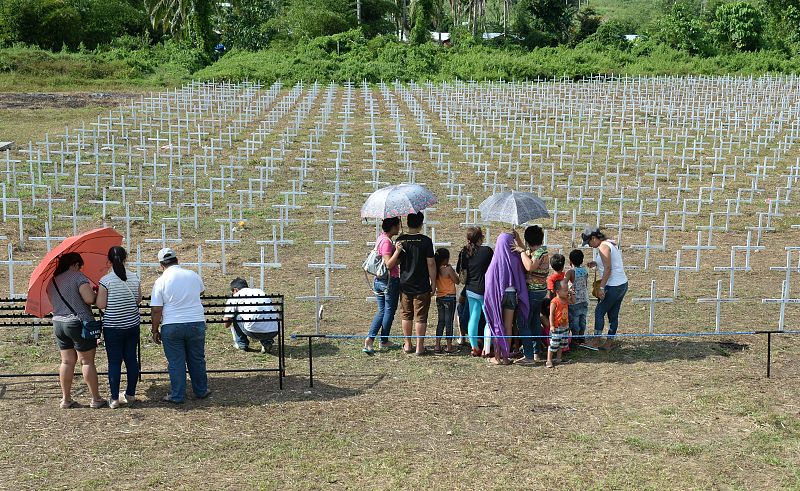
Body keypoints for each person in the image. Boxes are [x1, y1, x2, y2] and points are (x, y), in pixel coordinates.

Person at [149, 248, 210, 403]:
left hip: (172, 324)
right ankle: (201, 390)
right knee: (197, 358)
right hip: (196, 322)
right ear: (177, 260)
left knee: (176, 362)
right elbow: (201, 292)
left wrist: (155, 330)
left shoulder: (160, 281)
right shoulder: (193, 275)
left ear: (161, 264)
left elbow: (156, 310)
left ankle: (177, 395)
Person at [46, 252, 105, 409]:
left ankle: (66, 399)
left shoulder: (52, 281)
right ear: (75, 264)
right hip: (78, 323)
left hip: (58, 324)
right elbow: (89, 299)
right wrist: (96, 292)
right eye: (80, 265)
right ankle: (95, 399)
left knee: (66, 361)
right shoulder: (78, 277)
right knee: (86, 362)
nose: (80, 268)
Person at [96, 246, 142, 409]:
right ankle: (130, 393)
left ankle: (114, 398)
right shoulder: (134, 277)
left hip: (113, 326)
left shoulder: (105, 280)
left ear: (108, 260)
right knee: (131, 359)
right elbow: (138, 299)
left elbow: (101, 304)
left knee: (114, 362)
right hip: (131, 324)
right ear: (125, 258)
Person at [483, 233, 529, 366]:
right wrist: (518, 240)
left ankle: (497, 357)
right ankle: (506, 357)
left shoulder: (495, 261)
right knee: (508, 325)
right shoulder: (515, 258)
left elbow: (489, 280)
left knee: (498, 324)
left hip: (497, 295)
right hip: (511, 294)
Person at [396, 212, 436, 355]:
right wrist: (434, 282)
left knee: (406, 314)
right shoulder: (426, 241)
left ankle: (408, 344)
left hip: (405, 283)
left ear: (407, 222)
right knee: (421, 316)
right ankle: (420, 346)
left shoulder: (401, 240)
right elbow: (431, 263)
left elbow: (398, 261)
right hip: (422, 284)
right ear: (421, 223)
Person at [583, 227, 629, 350]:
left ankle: (597, 340)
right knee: (613, 314)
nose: (589, 245)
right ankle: (609, 342)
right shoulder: (609, 244)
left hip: (613, 285)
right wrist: (596, 263)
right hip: (622, 284)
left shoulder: (603, 247)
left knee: (599, 311)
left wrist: (602, 288)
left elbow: (608, 268)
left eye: (589, 242)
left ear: (593, 238)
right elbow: (609, 262)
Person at [364, 217, 403, 354]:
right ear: (392, 227)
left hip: (379, 280)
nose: (399, 227)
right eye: (398, 225)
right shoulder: (386, 242)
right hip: (389, 281)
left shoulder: (381, 238)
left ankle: (374, 339)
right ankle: (380, 340)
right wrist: (397, 251)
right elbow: (388, 264)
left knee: (382, 311)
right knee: (388, 311)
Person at [513, 225, 549, 365]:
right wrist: (518, 239)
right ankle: (536, 352)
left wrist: (521, 252)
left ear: (529, 240)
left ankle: (528, 356)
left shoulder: (539, 253)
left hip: (533, 291)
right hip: (539, 291)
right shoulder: (540, 250)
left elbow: (529, 266)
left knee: (522, 322)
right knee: (534, 319)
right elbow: (528, 252)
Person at [456, 227, 493, 357]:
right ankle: (487, 348)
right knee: (489, 320)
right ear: (480, 238)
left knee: (474, 317)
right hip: (485, 290)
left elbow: (459, 270)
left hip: (470, 289)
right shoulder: (487, 251)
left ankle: (474, 348)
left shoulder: (464, 252)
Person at [223, 278, 281, 354]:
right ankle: (267, 342)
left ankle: (242, 344)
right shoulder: (260, 291)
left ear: (235, 290)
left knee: (236, 316)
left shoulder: (236, 296)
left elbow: (226, 323)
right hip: (274, 330)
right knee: (263, 314)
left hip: (253, 331)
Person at [434, 248, 459, 354]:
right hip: (449, 297)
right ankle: (449, 346)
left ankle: (437, 345)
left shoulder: (435, 269)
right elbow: (457, 281)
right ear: (445, 259)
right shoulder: (447, 269)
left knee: (441, 321)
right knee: (449, 322)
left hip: (440, 297)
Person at [565, 249, 589, 346]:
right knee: (583, 319)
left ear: (570, 261)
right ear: (582, 260)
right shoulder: (584, 271)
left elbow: (564, 283)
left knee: (574, 320)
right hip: (584, 299)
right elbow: (585, 284)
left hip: (574, 300)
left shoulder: (571, 272)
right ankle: (581, 337)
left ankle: (575, 338)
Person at [547, 280, 571, 368]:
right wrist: (552, 325)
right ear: (557, 292)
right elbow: (551, 314)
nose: (567, 292)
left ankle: (558, 358)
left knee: (562, 343)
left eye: (567, 289)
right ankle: (549, 360)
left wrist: (572, 294)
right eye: (565, 290)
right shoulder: (554, 301)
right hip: (557, 327)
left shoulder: (566, 300)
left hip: (565, 326)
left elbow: (573, 302)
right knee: (553, 344)